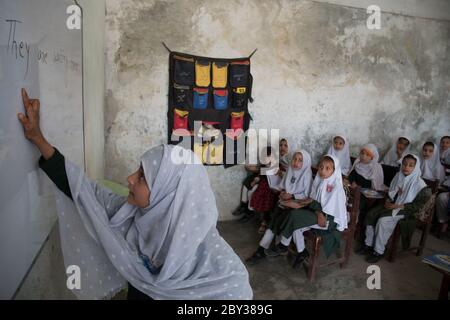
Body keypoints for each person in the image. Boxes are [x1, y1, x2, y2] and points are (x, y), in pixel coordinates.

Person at [17, 88, 253, 300]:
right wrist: (38, 138)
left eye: (142, 177)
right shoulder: (128, 214)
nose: (130, 179)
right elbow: (81, 190)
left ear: (167, 195)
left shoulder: (222, 273)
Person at [357, 154, 431, 263]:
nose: (406, 167)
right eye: (404, 164)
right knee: (371, 214)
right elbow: (391, 192)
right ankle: (368, 244)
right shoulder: (398, 175)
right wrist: (388, 200)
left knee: (383, 221)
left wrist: (397, 206)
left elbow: (416, 206)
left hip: (405, 210)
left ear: (416, 168)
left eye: (411, 165)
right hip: (392, 205)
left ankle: (378, 251)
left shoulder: (420, 185)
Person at [246, 150, 313, 264]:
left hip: (298, 207)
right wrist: (281, 192)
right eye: (294, 159)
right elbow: (282, 185)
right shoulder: (290, 171)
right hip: (285, 203)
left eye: (300, 160)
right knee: (274, 220)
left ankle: (266, 249)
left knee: (276, 220)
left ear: (305, 163)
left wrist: (292, 195)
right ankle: (263, 249)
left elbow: (307, 196)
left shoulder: (307, 175)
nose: (296, 163)